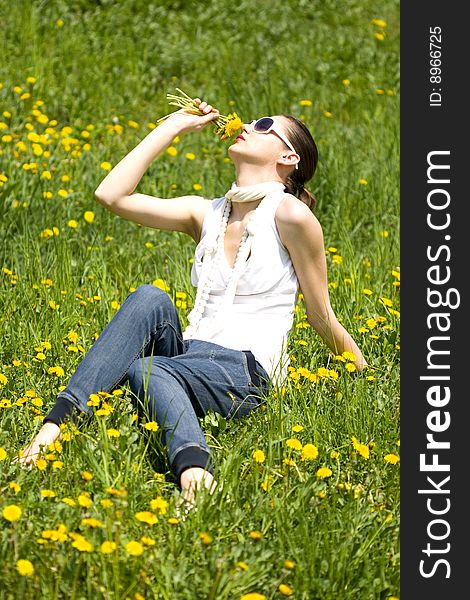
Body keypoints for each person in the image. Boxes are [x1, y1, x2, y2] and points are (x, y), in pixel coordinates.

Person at [19, 98, 367, 511]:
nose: (250, 125)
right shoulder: (207, 214)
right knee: (150, 297)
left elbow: (319, 313)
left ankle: (195, 476)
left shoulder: (290, 216)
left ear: (288, 157)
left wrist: (364, 376)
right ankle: (52, 431)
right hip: (189, 352)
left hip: (243, 368)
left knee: (147, 368)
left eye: (265, 124)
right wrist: (174, 127)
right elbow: (110, 195)